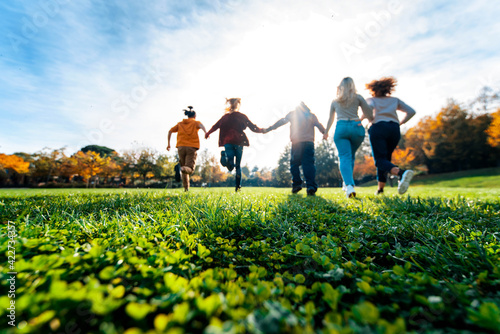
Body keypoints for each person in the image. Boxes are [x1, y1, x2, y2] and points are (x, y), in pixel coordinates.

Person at [323, 77, 374, 198]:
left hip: (341, 128)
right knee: (350, 156)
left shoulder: (335, 101)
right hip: (357, 127)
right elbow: (369, 115)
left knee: (344, 156)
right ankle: (347, 183)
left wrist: (326, 132)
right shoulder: (358, 97)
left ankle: (349, 185)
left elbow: (330, 119)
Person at [365, 77, 416, 195]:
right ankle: (380, 189)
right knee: (385, 159)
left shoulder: (372, 99)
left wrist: (366, 119)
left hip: (378, 128)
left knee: (379, 160)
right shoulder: (394, 100)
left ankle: (401, 173)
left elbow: (369, 108)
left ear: (373, 89)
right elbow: (411, 112)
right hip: (394, 129)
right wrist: (401, 122)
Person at [264, 101, 326, 196]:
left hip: (297, 143)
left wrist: (270, 128)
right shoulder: (311, 116)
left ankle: (297, 184)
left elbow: (282, 121)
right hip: (309, 143)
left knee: (294, 164)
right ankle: (311, 187)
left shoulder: (293, 114)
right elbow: (319, 125)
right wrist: (325, 133)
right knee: (308, 164)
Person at [205, 98, 263, 192]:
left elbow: (215, 126)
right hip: (239, 141)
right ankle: (238, 187)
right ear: (238, 105)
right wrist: (262, 130)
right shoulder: (242, 116)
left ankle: (225, 157)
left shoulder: (225, 117)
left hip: (228, 142)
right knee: (238, 166)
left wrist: (208, 133)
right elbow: (252, 127)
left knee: (230, 166)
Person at [167, 106, 206, 191]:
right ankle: (179, 168)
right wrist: (206, 132)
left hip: (180, 147)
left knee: (184, 168)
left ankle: (186, 188)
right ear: (194, 116)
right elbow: (201, 126)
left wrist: (169, 144)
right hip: (191, 147)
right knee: (190, 169)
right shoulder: (195, 122)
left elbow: (170, 131)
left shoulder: (180, 124)